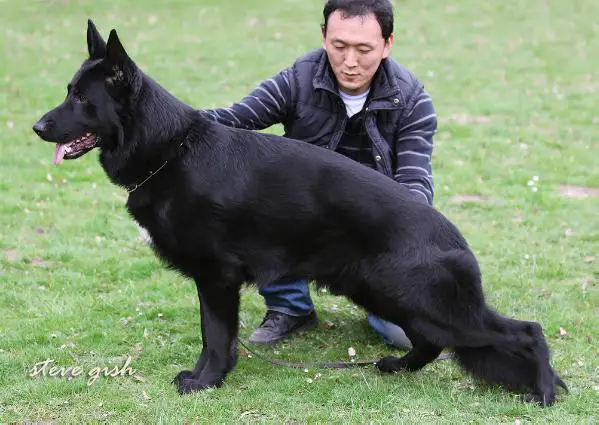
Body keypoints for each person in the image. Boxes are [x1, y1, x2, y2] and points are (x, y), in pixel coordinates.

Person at [200, 0, 437, 349]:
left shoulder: (413, 102)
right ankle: (290, 307)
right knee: (255, 203)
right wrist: (163, 116)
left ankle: (380, 302)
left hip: (371, 229)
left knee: (405, 337)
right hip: (304, 218)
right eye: (339, 46)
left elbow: (416, 186)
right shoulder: (297, 80)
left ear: (388, 44)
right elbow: (235, 120)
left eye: (364, 49)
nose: (350, 61)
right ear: (324, 36)